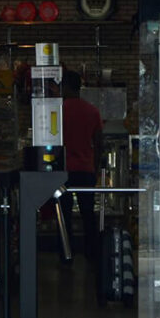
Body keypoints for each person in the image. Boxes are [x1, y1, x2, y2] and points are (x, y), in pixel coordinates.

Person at [59, 69, 104, 263]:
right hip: (86, 169)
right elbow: (99, 143)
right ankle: (92, 254)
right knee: (88, 214)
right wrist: (95, 167)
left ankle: (66, 254)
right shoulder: (92, 111)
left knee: (64, 215)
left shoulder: (58, 111)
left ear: (66, 87)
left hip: (64, 170)